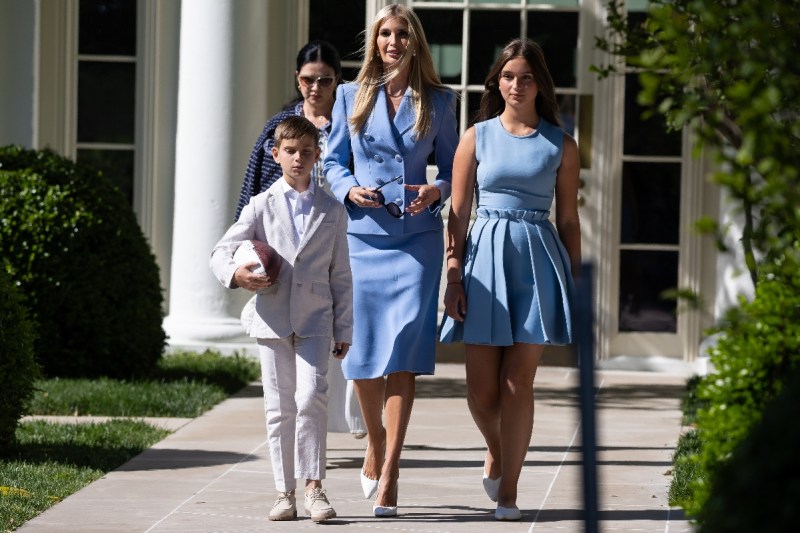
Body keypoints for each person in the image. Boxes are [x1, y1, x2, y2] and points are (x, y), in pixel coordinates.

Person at [323, 3, 458, 518]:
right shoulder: (347, 97)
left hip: (417, 240)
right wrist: (348, 189)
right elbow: (333, 161)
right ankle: (374, 442)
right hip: (363, 239)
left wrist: (436, 190)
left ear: (415, 42)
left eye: (402, 34)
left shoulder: (440, 101)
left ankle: (392, 472)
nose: (393, 42)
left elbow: (451, 167)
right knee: (362, 354)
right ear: (375, 41)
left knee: (403, 352)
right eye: (385, 33)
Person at [439, 38, 581, 521]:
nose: (515, 85)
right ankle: (497, 450)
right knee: (481, 390)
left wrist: (575, 280)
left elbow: (569, 221)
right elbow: (457, 212)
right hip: (483, 261)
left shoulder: (561, 144)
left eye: (524, 77)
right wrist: (453, 274)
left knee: (518, 383)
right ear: (496, 82)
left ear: (540, 83)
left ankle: (510, 491)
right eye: (507, 76)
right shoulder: (475, 136)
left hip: (539, 261)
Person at [210, 116, 353, 523]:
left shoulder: (332, 209)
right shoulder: (260, 205)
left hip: (316, 318)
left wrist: (344, 327)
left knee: (311, 397)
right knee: (278, 408)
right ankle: (284, 492)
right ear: (276, 154)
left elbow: (341, 274)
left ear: (317, 156)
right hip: (271, 317)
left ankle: (315, 488)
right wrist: (236, 275)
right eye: (290, 151)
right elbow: (221, 251)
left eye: (307, 152)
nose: (298, 158)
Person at [234, 39, 366, 438]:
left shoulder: (351, 126)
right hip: (284, 256)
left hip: (339, 242)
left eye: (325, 80)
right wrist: (247, 251)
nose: (316, 87)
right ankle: (302, 430)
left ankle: (348, 419)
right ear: (298, 78)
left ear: (337, 81)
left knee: (342, 332)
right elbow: (252, 189)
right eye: (309, 79)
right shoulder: (278, 129)